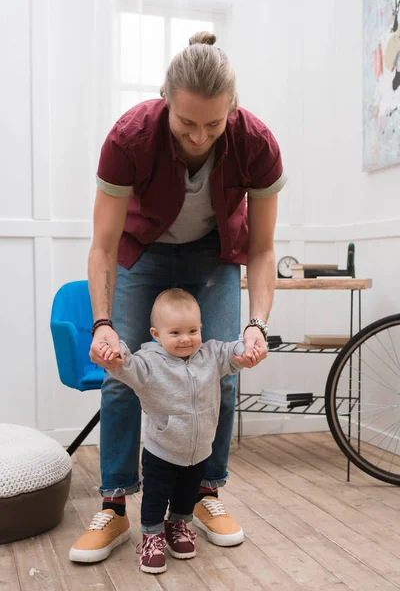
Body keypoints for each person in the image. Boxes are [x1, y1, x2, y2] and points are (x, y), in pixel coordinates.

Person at [69, 30, 286, 564]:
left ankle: (205, 494)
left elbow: (261, 250)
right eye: (186, 122)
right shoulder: (129, 138)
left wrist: (256, 323)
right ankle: (117, 504)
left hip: (213, 253)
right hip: (141, 248)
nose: (199, 136)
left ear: (232, 109)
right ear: (165, 98)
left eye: (213, 124)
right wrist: (102, 324)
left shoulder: (256, 143)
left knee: (224, 373)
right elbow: (102, 244)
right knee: (123, 374)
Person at [96, 288, 255, 573]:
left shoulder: (210, 354)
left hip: (199, 449)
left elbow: (230, 352)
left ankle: (177, 525)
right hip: (162, 450)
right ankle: (152, 536)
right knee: (156, 497)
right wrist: (115, 354)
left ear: (201, 328)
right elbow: (126, 367)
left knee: (186, 496)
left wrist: (245, 351)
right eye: (175, 333)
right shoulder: (148, 364)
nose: (186, 339)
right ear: (156, 334)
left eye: (193, 330)